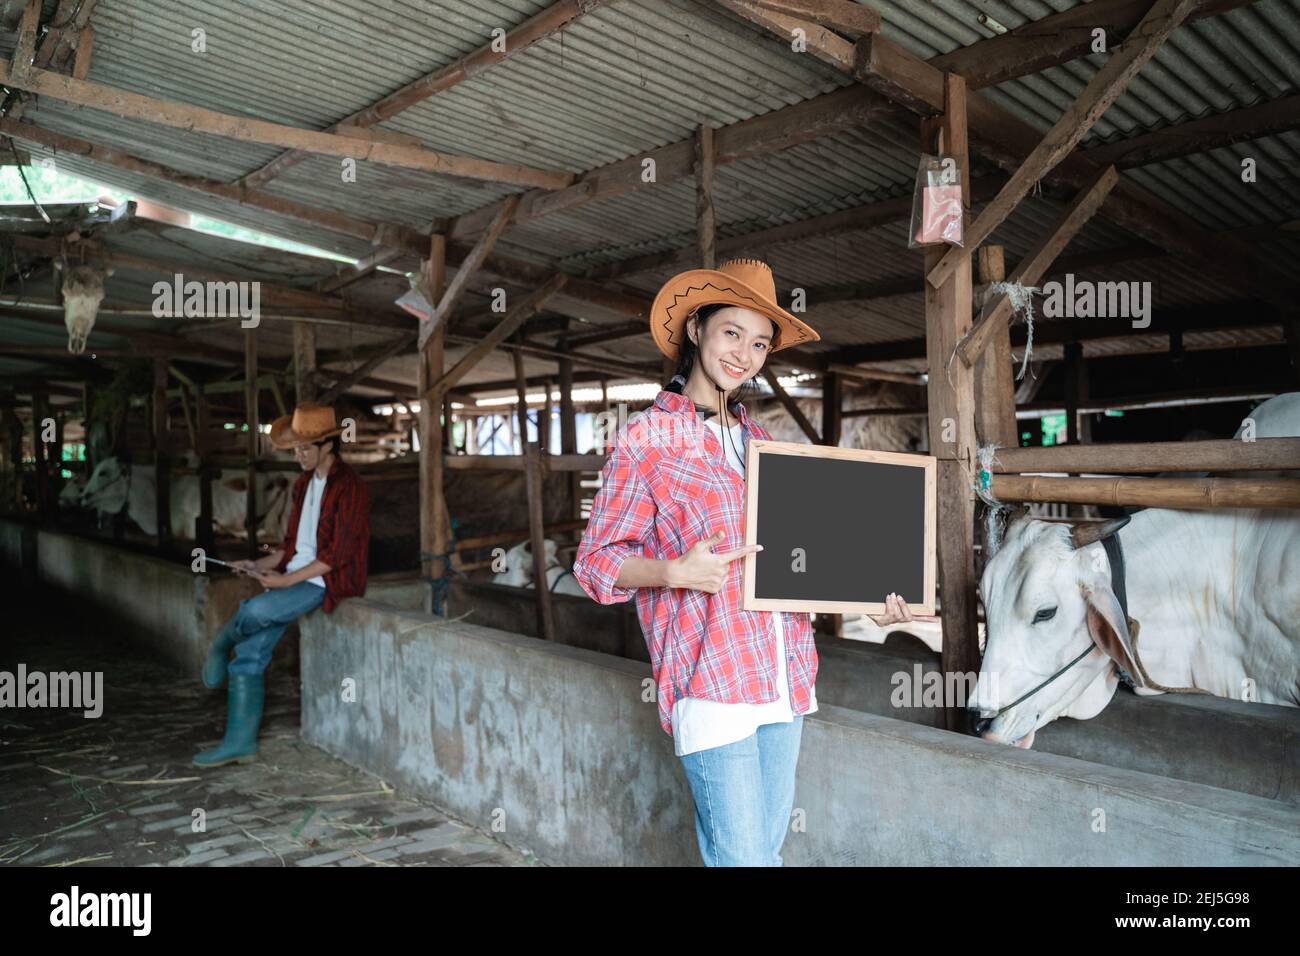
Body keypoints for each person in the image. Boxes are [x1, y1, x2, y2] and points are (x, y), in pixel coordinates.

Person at [572, 257, 914, 866]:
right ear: (697, 329)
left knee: (762, 858)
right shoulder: (650, 439)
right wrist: (673, 572)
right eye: (732, 332)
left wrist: (871, 594)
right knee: (746, 862)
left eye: (759, 343)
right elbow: (594, 563)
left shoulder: (765, 447)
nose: (745, 354)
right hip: (711, 681)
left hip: (783, 675)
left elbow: (801, 562)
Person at [194, 402, 370, 768]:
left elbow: (338, 554)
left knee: (256, 610)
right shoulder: (304, 484)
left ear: (328, 446)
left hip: (324, 580)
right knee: (251, 655)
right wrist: (257, 564)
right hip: (297, 574)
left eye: (306, 448)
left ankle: (221, 642)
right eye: (296, 449)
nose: (299, 455)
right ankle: (240, 744)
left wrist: (285, 580)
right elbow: (292, 547)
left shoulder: (349, 486)